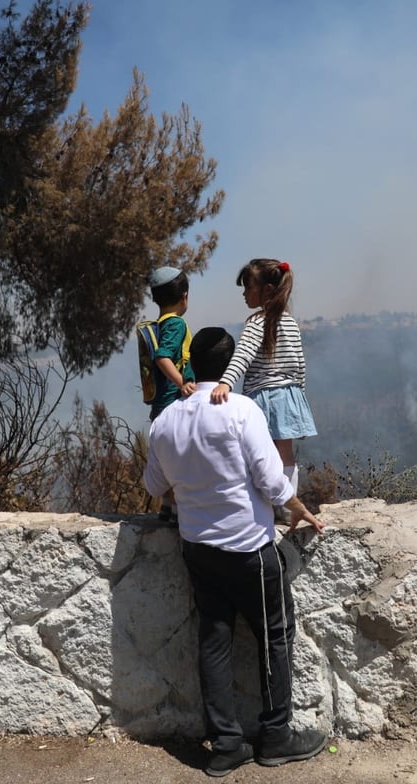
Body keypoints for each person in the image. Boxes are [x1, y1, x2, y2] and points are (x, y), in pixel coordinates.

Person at [144, 326, 328, 778]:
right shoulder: (242, 410)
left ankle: (226, 745)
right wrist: (299, 508)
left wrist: (187, 495)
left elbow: (153, 486)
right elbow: (270, 479)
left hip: (198, 549)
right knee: (274, 636)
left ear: (190, 367)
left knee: (214, 639)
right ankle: (276, 737)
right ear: (227, 367)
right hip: (248, 547)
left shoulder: (165, 421)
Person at [209, 259, 316, 512]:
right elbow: (300, 363)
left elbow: (242, 354)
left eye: (248, 288)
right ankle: (289, 508)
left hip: (263, 397)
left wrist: (225, 382)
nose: (244, 294)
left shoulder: (256, 322)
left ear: (266, 290)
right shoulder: (291, 322)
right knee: (285, 454)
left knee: (259, 454)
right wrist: (299, 392)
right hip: (290, 394)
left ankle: (264, 504)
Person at [146, 266, 196, 521]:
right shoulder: (176, 324)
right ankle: (177, 512)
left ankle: (166, 507)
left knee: (166, 457)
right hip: (172, 404)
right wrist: (182, 383)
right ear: (184, 296)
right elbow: (163, 356)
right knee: (178, 458)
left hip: (159, 404)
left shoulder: (160, 324)